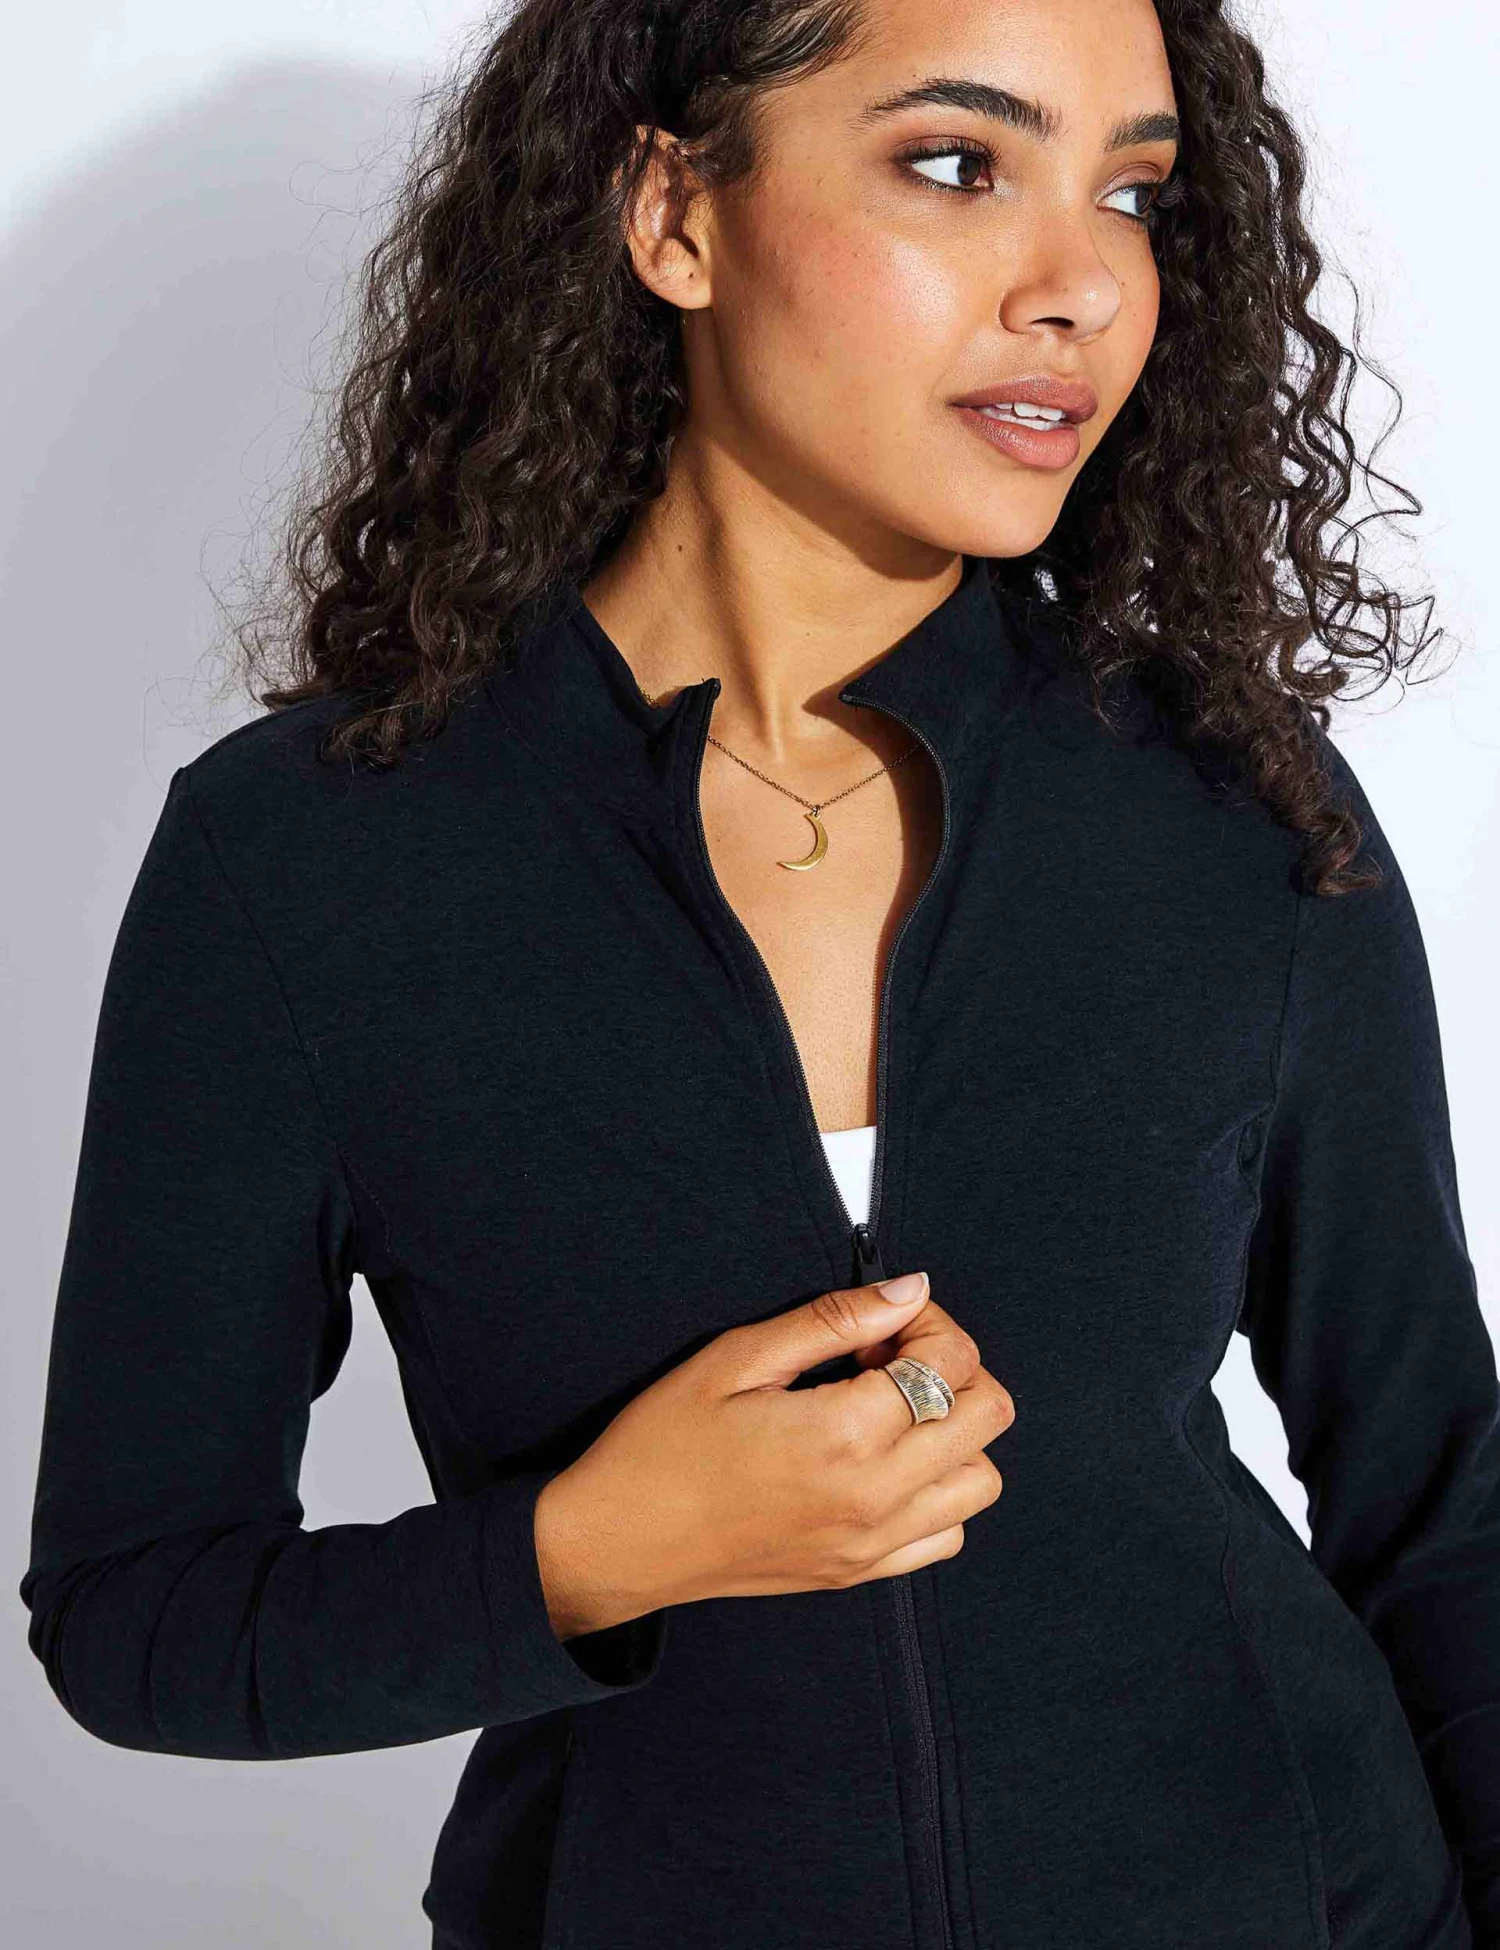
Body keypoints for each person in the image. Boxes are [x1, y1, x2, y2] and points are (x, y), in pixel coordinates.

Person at [20, 0, 1499, 1944]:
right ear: (674, 214)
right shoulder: (310, 857)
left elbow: (1443, 1508)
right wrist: (594, 1548)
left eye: (1133, 192)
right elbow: (137, 1613)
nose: (1082, 284)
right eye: (958, 164)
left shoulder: (1227, 801)